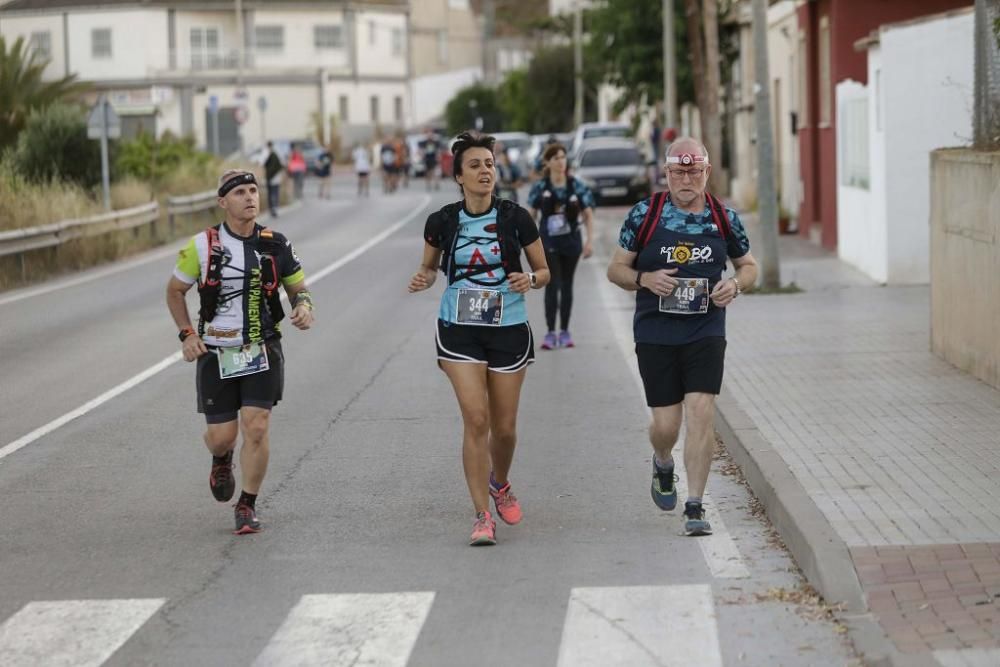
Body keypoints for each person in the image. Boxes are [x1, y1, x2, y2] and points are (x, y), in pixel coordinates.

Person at [605, 137, 759, 537]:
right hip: (656, 331)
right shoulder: (645, 214)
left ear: (707, 172)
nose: (686, 179)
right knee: (666, 426)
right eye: (679, 172)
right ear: (667, 174)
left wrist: (735, 285)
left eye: (694, 171)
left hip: (705, 329)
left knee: (702, 410)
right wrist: (643, 278)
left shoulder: (724, 218)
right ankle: (662, 459)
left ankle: (695, 505)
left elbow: (748, 265)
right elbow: (615, 270)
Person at [408, 131, 550, 546]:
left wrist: (530, 278)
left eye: (489, 164)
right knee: (476, 419)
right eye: (475, 165)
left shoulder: (516, 217)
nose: (485, 171)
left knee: (503, 429)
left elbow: (544, 271)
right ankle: (481, 515)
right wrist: (424, 276)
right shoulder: (441, 221)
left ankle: (499, 483)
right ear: (459, 176)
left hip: (508, 326)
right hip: (459, 328)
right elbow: (430, 266)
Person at [166, 169, 315, 535]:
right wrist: (187, 335)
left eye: (253, 190)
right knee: (222, 436)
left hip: (262, 347)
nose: (249, 197)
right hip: (216, 351)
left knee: (257, 427)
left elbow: (299, 288)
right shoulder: (201, 246)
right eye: (239, 193)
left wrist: (305, 307)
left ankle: (247, 503)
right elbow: (174, 291)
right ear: (223, 202)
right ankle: (221, 457)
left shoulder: (275, 243)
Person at [527, 142, 595, 350]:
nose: (560, 161)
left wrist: (590, 241)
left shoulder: (576, 185)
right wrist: (527, 245)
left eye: (563, 157)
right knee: (552, 284)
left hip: (571, 242)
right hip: (548, 242)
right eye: (555, 158)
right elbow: (530, 217)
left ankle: (564, 331)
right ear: (547, 162)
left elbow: (588, 214)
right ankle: (550, 332)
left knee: (567, 286)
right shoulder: (540, 187)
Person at [263, 142, 283, 217]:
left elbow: (276, 166)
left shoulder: (273, 155)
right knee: (273, 193)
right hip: (273, 177)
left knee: (273, 193)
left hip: (273, 177)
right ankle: (273, 209)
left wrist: (270, 175)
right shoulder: (270, 155)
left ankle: (273, 209)